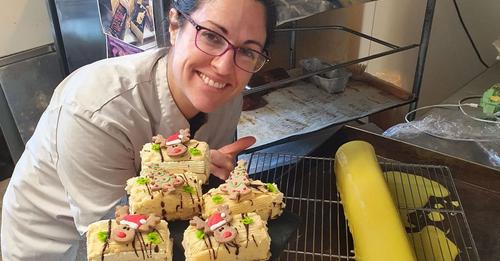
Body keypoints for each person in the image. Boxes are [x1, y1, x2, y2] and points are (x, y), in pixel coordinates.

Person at [1, 0, 277, 259]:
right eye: (212, 36)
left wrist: (206, 172)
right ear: (174, 24)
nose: (223, 66)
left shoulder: (228, 98)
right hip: (64, 243)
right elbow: (115, 232)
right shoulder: (94, 110)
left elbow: (197, 193)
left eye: (247, 51)